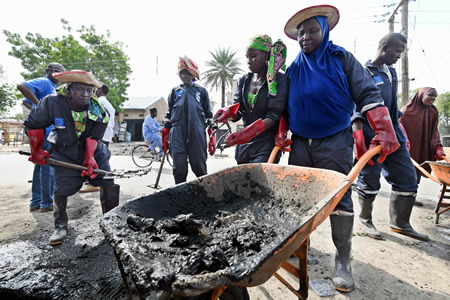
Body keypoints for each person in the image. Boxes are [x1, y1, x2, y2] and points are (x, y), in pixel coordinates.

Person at [283, 5, 400, 292]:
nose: (306, 37)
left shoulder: (341, 58)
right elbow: (283, 105)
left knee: (339, 198)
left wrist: (384, 128)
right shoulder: (293, 67)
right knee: (298, 200)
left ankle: (343, 261)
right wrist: (279, 131)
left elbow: (367, 93)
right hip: (299, 142)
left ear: (324, 30)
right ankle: (300, 250)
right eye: (301, 33)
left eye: (312, 30)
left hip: (334, 141)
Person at [23, 70, 120, 246]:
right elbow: (33, 124)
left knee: (108, 180)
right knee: (61, 187)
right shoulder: (52, 103)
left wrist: (90, 158)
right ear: (69, 89)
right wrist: (36, 150)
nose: (85, 94)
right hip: (64, 150)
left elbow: (93, 137)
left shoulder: (99, 109)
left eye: (89, 90)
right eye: (80, 89)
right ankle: (60, 225)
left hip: (94, 150)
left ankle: (111, 221)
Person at [353, 33, 429, 242]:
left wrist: (400, 131)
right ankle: (365, 219)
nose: (399, 56)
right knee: (369, 179)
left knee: (407, 177)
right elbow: (357, 107)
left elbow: (393, 108)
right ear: (384, 47)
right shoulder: (363, 72)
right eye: (397, 51)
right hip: (371, 136)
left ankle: (400, 223)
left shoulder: (391, 72)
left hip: (394, 135)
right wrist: (358, 137)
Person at [213, 34, 289, 164]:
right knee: (243, 181)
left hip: (266, 144)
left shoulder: (280, 81)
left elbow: (274, 116)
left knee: (258, 179)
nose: (249, 61)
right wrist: (228, 112)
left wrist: (245, 134)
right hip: (244, 146)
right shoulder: (243, 81)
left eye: (253, 56)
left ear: (266, 55)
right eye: (247, 57)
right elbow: (238, 110)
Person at [17, 62, 65, 212]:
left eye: (61, 74)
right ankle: (46, 203)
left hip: (39, 130)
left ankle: (35, 201)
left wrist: (37, 107)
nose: (59, 76)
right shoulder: (45, 82)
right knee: (47, 164)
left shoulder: (52, 87)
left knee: (40, 163)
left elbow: (26, 102)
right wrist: (40, 106)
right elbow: (21, 85)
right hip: (43, 131)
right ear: (48, 71)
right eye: (57, 72)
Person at [162, 56, 213, 184]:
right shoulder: (174, 92)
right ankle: (179, 193)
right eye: (181, 73)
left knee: (199, 165)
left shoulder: (201, 92)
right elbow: (169, 116)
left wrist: (212, 137)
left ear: (193, 74)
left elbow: (208, 116)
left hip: (197, 131)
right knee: (179, 166)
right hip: (177, 133)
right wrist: (165, 136)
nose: (184, 76)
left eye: (186, 73)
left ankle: (204, 194)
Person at [400, 87, 446, 182]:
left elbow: (434, 131)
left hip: (422, 147)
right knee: (405, 174)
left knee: (418, 171)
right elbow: (398, 132)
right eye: (430, 95)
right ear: (421, 95)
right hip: (408, 148)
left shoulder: (433, 111)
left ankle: (413, 193)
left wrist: (437, 146)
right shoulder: (406, 112)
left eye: (435, 97)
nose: (433, 98)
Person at [79, 83, 115, 193]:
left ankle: (93, 183)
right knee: (101, 157)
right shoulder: (108, 103)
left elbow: (95, 119)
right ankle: (98, 181)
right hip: (107, 133)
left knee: (96, 157)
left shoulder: (98, 102)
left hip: (100, 132)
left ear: (100, 91)